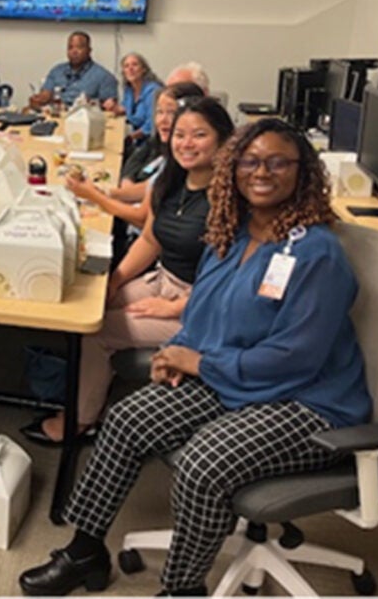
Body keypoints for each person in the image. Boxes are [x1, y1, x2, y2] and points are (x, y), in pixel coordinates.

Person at [19, 117, 371, 596]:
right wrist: (176, 350)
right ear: (233, 169)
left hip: (308, 401)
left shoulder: (317, 255)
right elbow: (204, 308)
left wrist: (200, 364)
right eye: (249, 161)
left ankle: (183, 589)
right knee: (127, 420)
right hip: (237, 380)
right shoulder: (232, 233)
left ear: (302, 171)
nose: (261, 172)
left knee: (204, 462)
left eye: (277, 162)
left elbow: (294, 358)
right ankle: (84, 551)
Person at [22, 98, 235, 445]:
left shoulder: (228, 200)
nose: (186, 143)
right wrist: (116, 280)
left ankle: (82, 420)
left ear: (223, 140)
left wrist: (174, 307)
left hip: (201, 308)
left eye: (199, 135)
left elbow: (233, 278)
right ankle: (89, 387)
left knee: (97, 332)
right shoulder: (172, 182)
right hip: (163, 280)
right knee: (90, 302)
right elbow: (150, 239)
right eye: (180, 134)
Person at [64, 83, 205, 232]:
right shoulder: (169, 159)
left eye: (171, 113)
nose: (163, 120)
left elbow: (142, 219)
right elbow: (148, 188)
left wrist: (94, 196)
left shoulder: (187, 162)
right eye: (159, 112)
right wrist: (103, 192)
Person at [30, 31, 118, 110]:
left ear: (89, 50)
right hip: (56, 117)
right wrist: (38, 100)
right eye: (70, 48)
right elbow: (46, 95)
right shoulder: (57, 71)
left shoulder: (104, 77)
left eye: (79, 47)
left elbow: (109, 109)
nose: (74, 51)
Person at [114, 52, 162, 142]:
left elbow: (151, 125)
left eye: (135, 65)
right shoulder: (129, 90)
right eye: (126, 66)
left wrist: (130, 138)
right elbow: (125, 108)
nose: (130, 69)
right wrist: (114, 108)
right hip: (136, 139)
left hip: (151, 141)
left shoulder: (153, 91)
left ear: (144, 69)